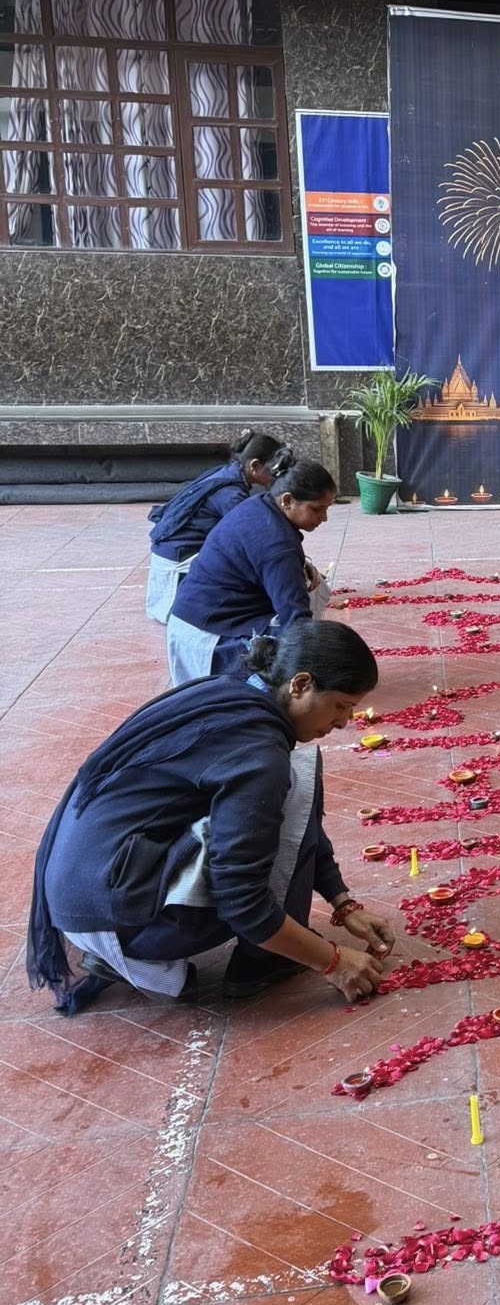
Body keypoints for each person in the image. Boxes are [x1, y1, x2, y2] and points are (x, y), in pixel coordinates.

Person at [28, 623, 394, 1017]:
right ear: (300, 684)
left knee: (283, 790)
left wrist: (342, 901)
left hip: (84, 889)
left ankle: (130, 948)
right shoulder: (258, 750)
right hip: (115, 910)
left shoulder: (232, 690)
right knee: (289, 781)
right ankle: (259, 960)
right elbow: (242, 899)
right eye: (341, 705)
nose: (344, 722)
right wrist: (333, 961)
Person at [166, 460, 336, 685]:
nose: (323, 518)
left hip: (189, 614)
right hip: (208, 632)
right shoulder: (278, 546)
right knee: (295, 648)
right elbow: (295, 620)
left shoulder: (259, 504)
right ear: (287, 501)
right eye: (317, 509)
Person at [144, 430, 293, 624]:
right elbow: (254, 538)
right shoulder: (230, 495)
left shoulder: (224, 474)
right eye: (273, 471)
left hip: (171, 551)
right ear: (254, 466)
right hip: (180, 558)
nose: (276, 478)